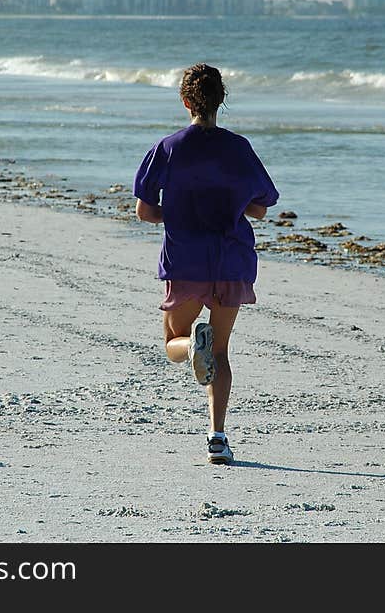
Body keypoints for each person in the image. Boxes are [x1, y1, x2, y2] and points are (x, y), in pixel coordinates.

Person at [133, 63, 279, 465]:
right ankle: (218, 437)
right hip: (231, 259)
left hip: (185, 259)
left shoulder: (168, 148)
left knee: (173, 343)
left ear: (185, 102)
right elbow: (261, 208)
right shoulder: (239, 148)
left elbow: (145, 211)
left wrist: (179, 212)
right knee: (222, 352)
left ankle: (191, 347)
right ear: (221, 101)